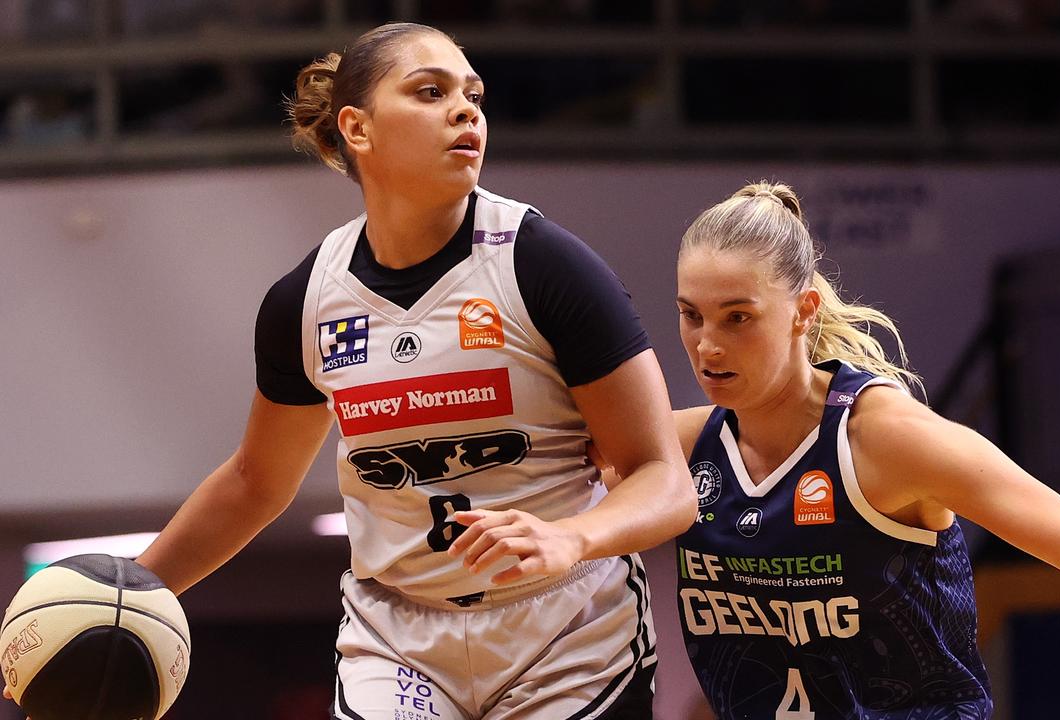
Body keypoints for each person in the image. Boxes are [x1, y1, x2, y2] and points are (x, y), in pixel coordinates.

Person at [3, 22, 695, 720]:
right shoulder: (305, 300)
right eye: (431, 92)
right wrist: (115, 601)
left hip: (567, 625)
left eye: (473, 96)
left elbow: (663, 480)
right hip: (400, 637)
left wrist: (570, 537)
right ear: (356, 128)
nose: (466, 111)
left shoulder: (545, 265)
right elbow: (254, 482)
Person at [661, 182, 1060, 718]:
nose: (707, 345)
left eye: (737, 318)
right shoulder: (682, 448)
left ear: (803, 311)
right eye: (692, 316)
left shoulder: (889, 440)